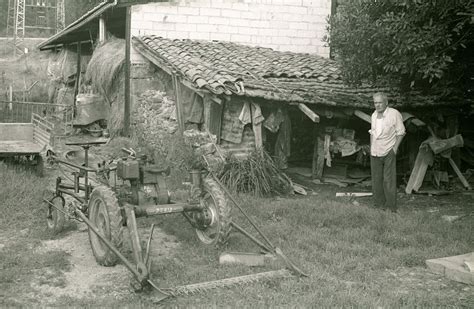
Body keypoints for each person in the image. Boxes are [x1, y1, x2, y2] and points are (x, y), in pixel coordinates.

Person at [369, 92, 405, 213]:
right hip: (375, 151)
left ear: (386, 103)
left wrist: (394, 149)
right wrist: (371, 147)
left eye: (380, 102)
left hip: (388, 150)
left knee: (388, 179)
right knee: (376, 179)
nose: (377, 105)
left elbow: (401, 132)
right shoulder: (374, 115)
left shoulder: (394, 114)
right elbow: (373, 133)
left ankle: (391, 207)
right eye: (375, 103)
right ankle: (378, 205)